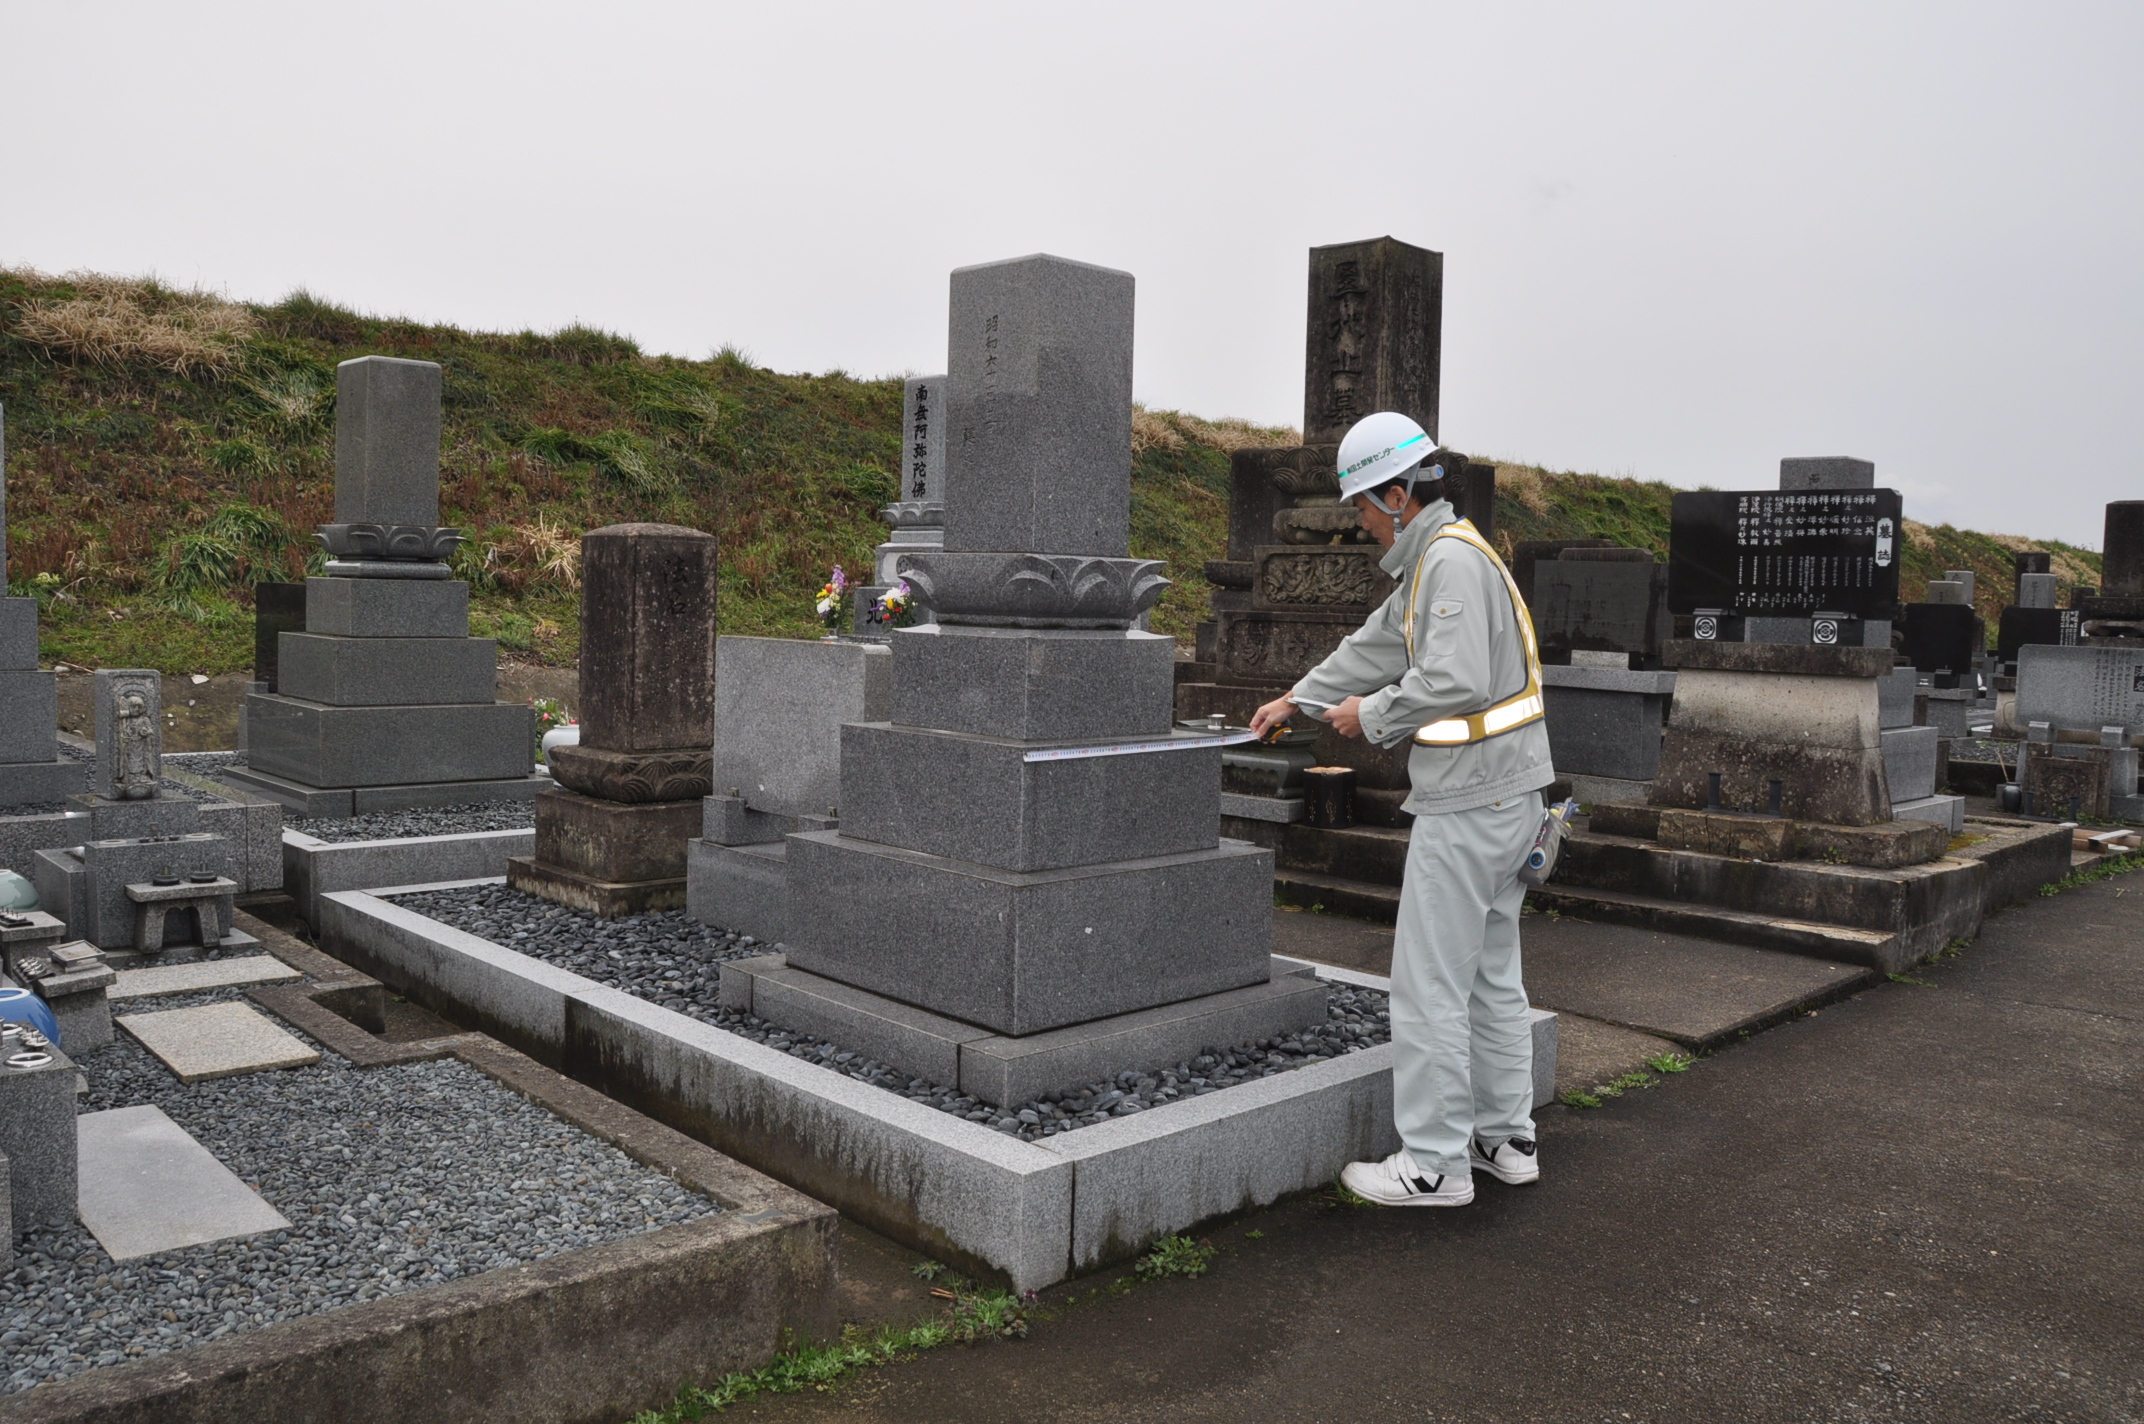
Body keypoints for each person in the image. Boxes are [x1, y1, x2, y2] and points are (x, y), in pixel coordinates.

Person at [1248, 411, 1555, 1207]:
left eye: (1360, 506)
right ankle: (1505, 1138)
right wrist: (1297, 698)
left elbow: (1444, 680)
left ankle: (1434, 1164)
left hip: (1470, 801)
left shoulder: (1447, 564)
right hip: (1509, 795)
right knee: (1490, 977)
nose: (1357, 522)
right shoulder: (1440, 561)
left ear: (1397, 494)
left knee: (1428, 986)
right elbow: (1374, 645)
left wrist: (1368, 717)